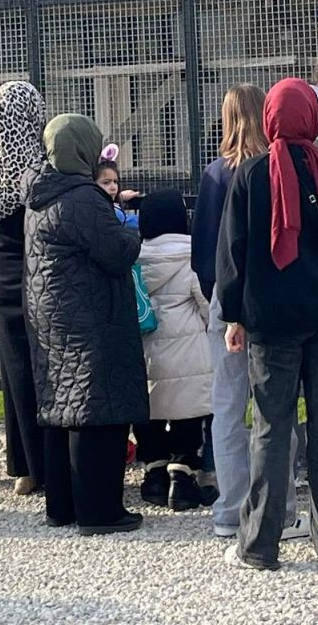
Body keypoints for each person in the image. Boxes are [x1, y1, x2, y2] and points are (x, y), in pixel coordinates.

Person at [216, 78, 318, 570]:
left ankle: (260, 545)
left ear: (270, 118)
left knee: (270, 428)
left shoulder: (251, 176)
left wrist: (234, 314)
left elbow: (234, 251)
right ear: (310, 116)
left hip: (273, 320)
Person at [23, 113, 148, 535]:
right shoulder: (83, 198)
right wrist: (133, 231)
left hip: (53, 313)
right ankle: (99, 511)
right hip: (89, 314)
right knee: (96, 408)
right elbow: (117, 252)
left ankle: (62, 505)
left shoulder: (40, 195)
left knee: (62, 408)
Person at [192, 84, 306, 542]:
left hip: (226, 294)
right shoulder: (277, 168)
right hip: (271, 295)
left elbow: (204, 249)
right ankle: (281, 505)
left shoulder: (216, 174)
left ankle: (230, 507)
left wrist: (215, 295)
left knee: (227, 405)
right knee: (275, 405)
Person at [0, 81, 47, 496]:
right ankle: (50, 459)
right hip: (40, 262)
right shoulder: (43, 161)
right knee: (48, 362)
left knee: (15, 365)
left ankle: (23, 465)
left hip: (2, 262)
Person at [133, 189, 214, 511]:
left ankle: (153, 473)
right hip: (189, 351)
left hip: (146, 351)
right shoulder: (192, 256)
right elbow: (208, 307)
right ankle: (182, 477)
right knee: (188, 414)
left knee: (150, 413)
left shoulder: (134, 256)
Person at [94, 154, 141, 229]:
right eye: (106, 182)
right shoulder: (112, 211)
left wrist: (120, 197)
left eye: (115, 182)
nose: (113, 187)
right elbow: (132, 223)